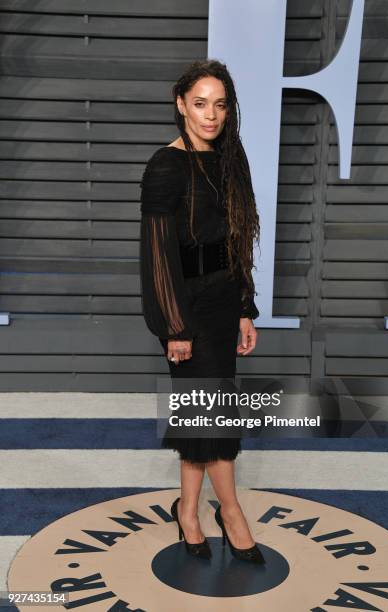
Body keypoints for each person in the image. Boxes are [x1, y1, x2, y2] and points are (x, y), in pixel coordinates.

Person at [140, 59, 264, 564]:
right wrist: (175, 326)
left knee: (200, 415)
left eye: (219, 104)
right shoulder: (165, 166)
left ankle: (188, 511)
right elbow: (158, 256)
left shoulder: (230, 160)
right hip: (185, 308)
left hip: (222, 302)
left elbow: (237, 242)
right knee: (214, 416)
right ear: (180, 105)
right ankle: (230, 512)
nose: (210, 115)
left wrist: (244, 308)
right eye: (199, 103)